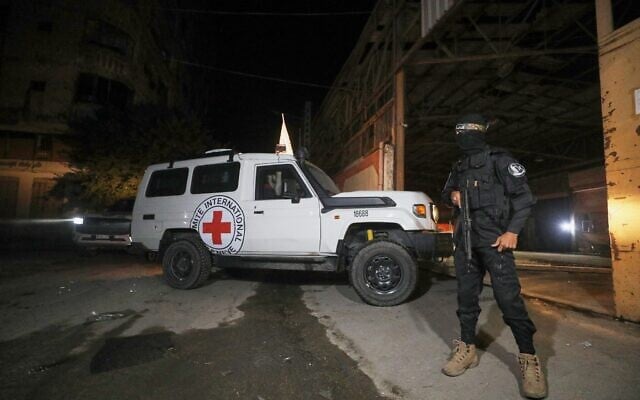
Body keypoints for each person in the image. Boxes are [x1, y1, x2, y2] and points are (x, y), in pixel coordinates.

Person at [440, 114, 547, 399]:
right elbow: (444, 192)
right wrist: (452, 195)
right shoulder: (459, 165)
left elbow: (524, 199)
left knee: (509, 302)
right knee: (466, 300)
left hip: (495, 241)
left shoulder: (500, 160)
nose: (462, 137)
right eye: (458, 132)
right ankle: (467, 349)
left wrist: (512, 231)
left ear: (480, 133)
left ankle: (529, 359)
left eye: (467, 132)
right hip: (465, 243)